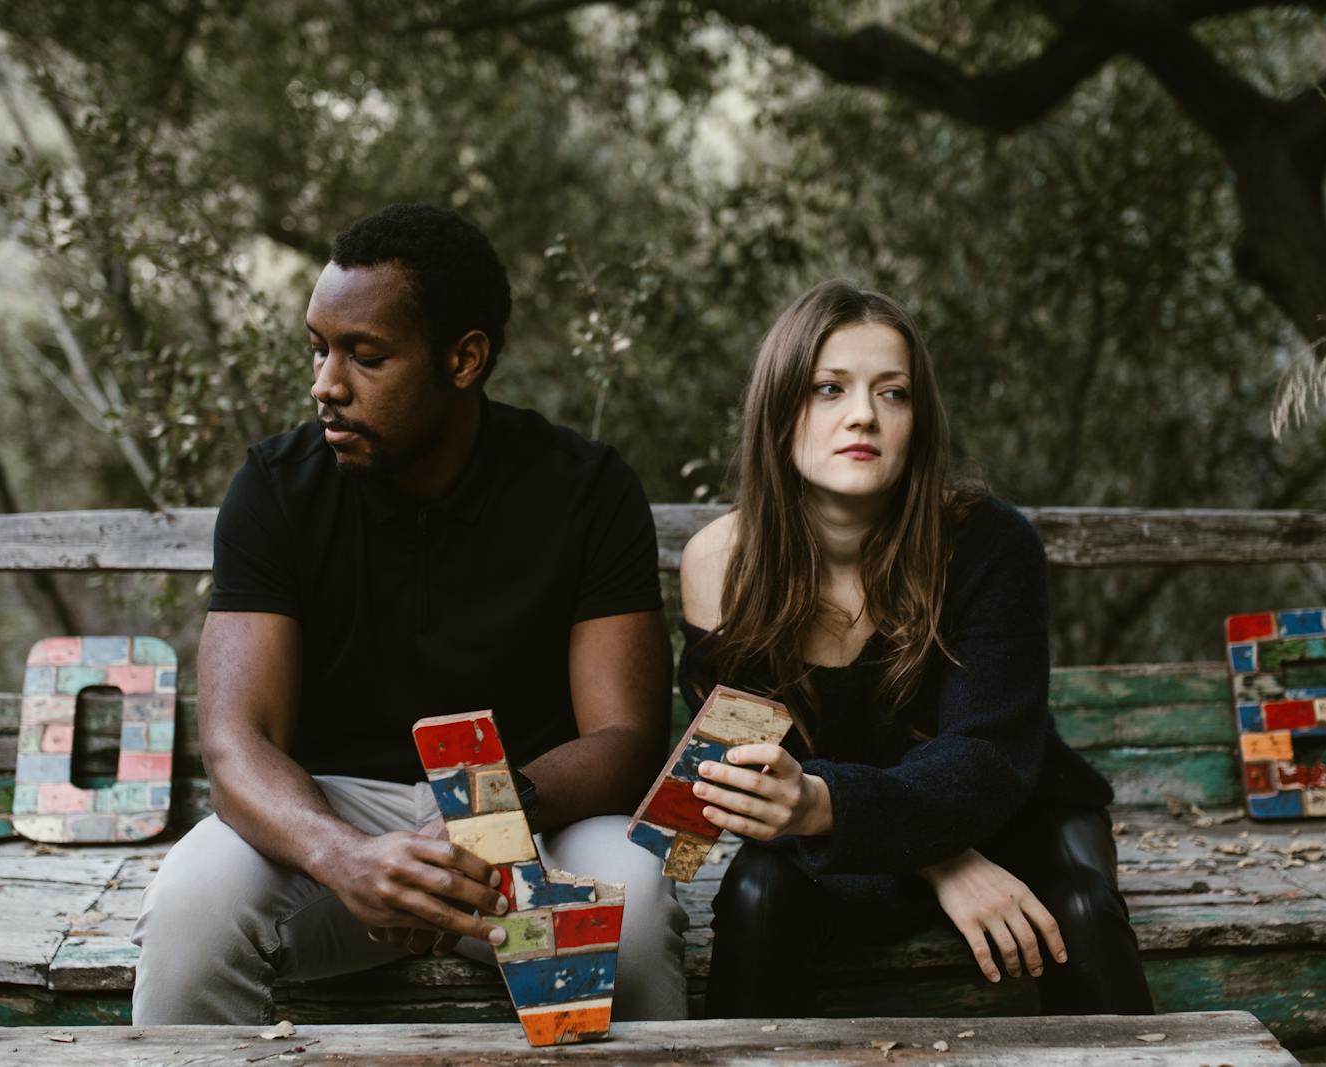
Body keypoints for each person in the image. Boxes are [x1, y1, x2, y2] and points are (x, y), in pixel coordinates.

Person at [132, 204, 686, 1025]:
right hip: (328, 819)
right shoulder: (276, 489)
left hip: (527, 819)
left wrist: (490, 815)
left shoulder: (584, 489)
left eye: (366, 355)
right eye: (319, 349)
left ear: (464, 359)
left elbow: (624, 739)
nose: (327, 384)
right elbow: (237, 740)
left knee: (632, 904)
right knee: (189, 902)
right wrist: (343, 855)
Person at [675, 279, 1153, 1017]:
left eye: (892, 393)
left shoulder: (991, 545)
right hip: (827, 837)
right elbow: (761, 780)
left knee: (1081, 914)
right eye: (828, 388)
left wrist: (940, 847)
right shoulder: (720, 566)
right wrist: (936, 862)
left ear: (918, 419)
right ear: (778, 409)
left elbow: (986, 760)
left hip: (1012, 816)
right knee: (757, 894)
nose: (863, 414)